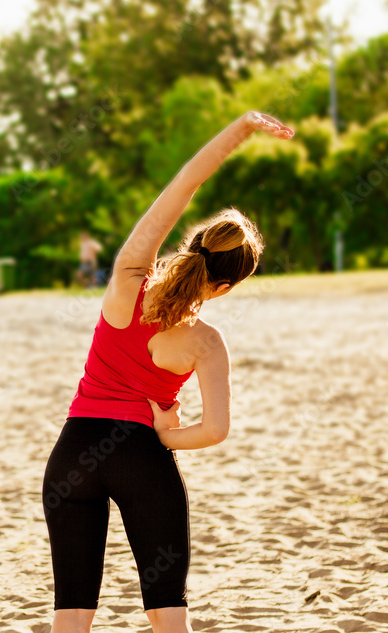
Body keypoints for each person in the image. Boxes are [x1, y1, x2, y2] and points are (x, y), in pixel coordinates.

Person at [42, 111, 294, 633]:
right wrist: (167, 432)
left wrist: (241, 127)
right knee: (167, 613)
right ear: (225, 287)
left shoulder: (129, 277)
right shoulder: (206, 343)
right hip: (141, 457)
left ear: (191, 244)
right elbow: (216, 430)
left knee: (71, 612)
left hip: (72, 456)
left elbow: (186, 182)